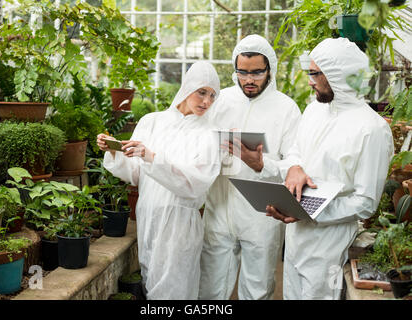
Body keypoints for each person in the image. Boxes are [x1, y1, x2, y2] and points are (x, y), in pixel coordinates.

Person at [264, 37, 394, 299]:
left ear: (338, 74)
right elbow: (295, 153)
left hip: (329, 244)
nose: (309, 80)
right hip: (296, 235)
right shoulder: (314, 110)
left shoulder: (372, 129)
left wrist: (311, 213)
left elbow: (365, 202)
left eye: (315, 73)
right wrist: (294, 169)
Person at [97, 61, 221, 300]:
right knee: (151, 282)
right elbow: (134, 173)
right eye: (202, 92)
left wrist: (151, 156)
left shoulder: (210, 135)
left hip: (180, 225)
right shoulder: (152, 122)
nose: (206, 101)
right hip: (148, 216)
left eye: (213, 96)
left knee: (176, 290)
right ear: (187, 88)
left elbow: (196, 184)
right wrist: (113, 150)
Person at [199, 34, 302, 300]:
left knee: (257, 289)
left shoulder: (286, 109)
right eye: (242, 72)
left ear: (270, 70)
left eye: (257, 72)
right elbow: (198, 140)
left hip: (262, 216)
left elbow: (295, 163)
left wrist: (261, 164)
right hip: (218, 210)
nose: (249, 80)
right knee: (210, 287)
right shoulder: (219, 101)